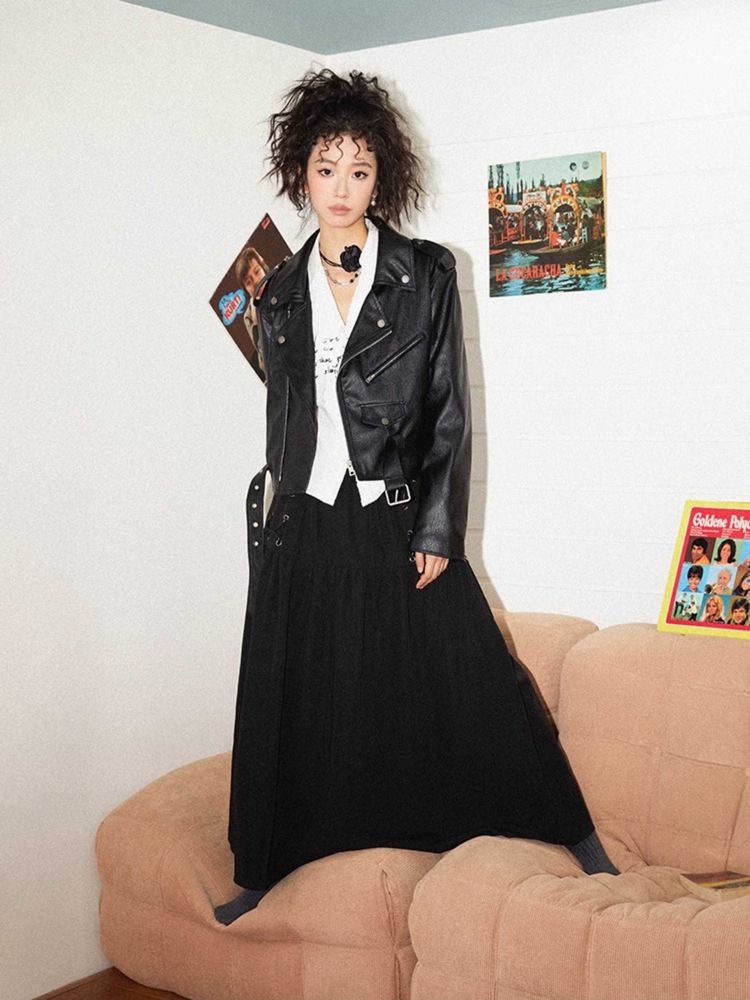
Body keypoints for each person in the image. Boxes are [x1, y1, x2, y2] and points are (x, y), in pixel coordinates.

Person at [214, 68, 617, 926]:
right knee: (297, 695)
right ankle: (266, 865)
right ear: (300, 173)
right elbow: (285, 413)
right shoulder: (278, 291)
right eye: (326, 168)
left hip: (396, 514)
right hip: (305, 517)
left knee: (473, 682)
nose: (341, 187)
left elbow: (448, 412)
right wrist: (278, 518)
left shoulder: (425, 272)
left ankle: (576, 837)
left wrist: (437, 526)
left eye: (359, 170)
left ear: (382, 178)